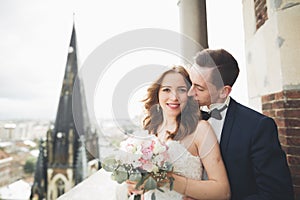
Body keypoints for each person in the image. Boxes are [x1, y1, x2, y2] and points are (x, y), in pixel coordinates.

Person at [185, 49, 294, 200]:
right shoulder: (187, 118)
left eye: (199, 88)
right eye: (191, 83)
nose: (190, 93)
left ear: (224, 91)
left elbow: (277, 194)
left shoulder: (258, 127)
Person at [127, 66, 230, 200]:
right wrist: (134, 184)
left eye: (181, 90)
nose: (174, 97)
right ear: (157, 94)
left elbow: (223, 192)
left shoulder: (201, 130)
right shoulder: (149, 131)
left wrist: (166, 179)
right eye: (166, 90)